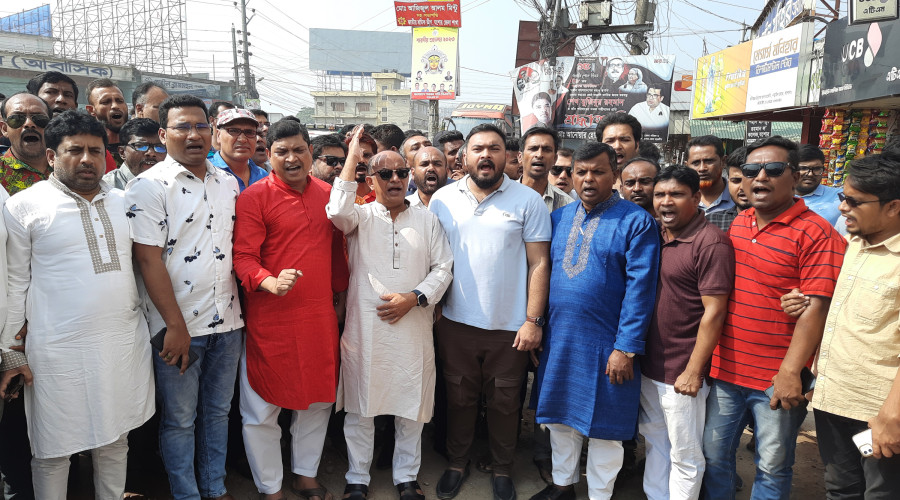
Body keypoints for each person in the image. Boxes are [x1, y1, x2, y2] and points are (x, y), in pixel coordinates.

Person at [0, 110, 154, 499]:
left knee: (116, 439)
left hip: (121, 342)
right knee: (53, 450)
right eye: (75, 150)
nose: (87, 159)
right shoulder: (24, 206)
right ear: (52, 156)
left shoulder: (125, 202)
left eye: (95, 151)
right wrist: (11, 349)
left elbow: (145, 269)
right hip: (57, 350)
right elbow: (15, 282)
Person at [702, 136, 847, 500]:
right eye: (752, 170)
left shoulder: (817, 233)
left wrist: (790, 373)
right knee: (714, 455)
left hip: (776, 376)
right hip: (727, 370)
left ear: (795, 176)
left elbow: (817, 308)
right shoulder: (740, 222)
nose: (761, 177)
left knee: (771, 465)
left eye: (774, 169)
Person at [126, 94, 243, 500]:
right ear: (163, 134)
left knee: (218, 413)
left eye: (200, 126)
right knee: (179, 420)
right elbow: (148, 259)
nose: (193, 134)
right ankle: (186, 493)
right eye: (182, 127)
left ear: (212, 131)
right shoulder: (148, 186)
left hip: (228, 322)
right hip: (178, 329)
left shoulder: (227, 182)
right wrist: (175, 327)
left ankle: (214, 487)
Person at [529, 142, 660, 500]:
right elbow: (541, 275)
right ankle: (562, 486)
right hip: (559, 340)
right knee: (558, 421)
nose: (588, 179)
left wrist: (626, 349)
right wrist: (538, 327)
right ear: (570, 175)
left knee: (605, 430)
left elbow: (641, 291)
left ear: (614, 175)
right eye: (581, 172)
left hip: (608, 347)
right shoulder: (559, 218)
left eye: (598, 172)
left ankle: (600, 495)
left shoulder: (637, 222)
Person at [328, 133, 453, 500]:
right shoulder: (359, 217)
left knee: (411, 406)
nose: (395, 179)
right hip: (366, 330)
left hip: (413, 326)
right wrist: (353, 156)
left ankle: (406, 477)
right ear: (371, 181)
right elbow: (336, 211)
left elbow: (443, 268)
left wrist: (413, 298)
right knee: (361, 408)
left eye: (401, 173)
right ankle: (357, 478)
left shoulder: (427, 220)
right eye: (385, 174)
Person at [429, 124, 551, 500]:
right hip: (455, 323)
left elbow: (539, 263)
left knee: (505, 402)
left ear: (507, 156)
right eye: (478, 148)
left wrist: (532, 321)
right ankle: (457, 462)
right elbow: (433, 260)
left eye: (494, 149)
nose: (486, 155)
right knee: (458, 398)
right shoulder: (443, 200)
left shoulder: (528, 201)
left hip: (510, 328)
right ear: (463, 156)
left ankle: (502, 468)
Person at [233, 119, 349, 500]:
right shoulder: (254, 198)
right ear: (269, 155)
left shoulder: (328, 195)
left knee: (318, 401)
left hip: (319, 317)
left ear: (310, 152)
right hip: (271, 320)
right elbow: (243, 258)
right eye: (281, 151)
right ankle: (270, 488)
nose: (291, 158)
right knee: (261, 410)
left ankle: (305, 476)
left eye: (299, 149)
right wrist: (269, 281)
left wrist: (341, 296)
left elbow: (337, 255)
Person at [781, 150, 900, 498]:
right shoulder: (847, 245)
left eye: (854, 201)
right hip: (833, 399)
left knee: (881, 493)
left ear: (893, 207)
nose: (843, 207)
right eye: (842, 198)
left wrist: (891, 415)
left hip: (879, 410)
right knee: (840, 488)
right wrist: (799, 301)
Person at [639, 166, 734, 500]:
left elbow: (715, 311)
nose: (666, 202)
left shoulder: (710, 243)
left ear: (696, 198)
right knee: (655, 442)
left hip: (682, 370)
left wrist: (693, 371)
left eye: (676, 194)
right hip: (651, 365)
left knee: (685, 453)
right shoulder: (656, 234)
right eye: (660, 195)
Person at [0, 92, 53, 195]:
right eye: (17, 119)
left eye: (39, 118)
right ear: (4, 129)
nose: (29, 124)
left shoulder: (70, 167)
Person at [210, 108, 268, 192]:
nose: (242, 139)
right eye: (233, 131)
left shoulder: (263, 176)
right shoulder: (206, 172)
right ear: (218, 135)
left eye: (249, 132)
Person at [518, 126, 573, 213]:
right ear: (520, 157)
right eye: (533, 149)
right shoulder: (502, 196)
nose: (539, 155)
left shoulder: (567, 205)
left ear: (555, 159)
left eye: (547, 150)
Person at [103, 118, 166, 190]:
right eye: (140, 146)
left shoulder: (171, 184)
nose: (151, 153)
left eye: (159, 147)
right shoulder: (105, 188)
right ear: (122, 152)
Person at [796, 144, 842, 228]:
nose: (810, 174)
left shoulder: (840, 197)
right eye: (803, 168)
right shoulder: (778, 198)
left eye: (816, 169)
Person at [85, 78, 128, 169]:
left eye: (120, 101)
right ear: (91, 110)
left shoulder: (139, 146)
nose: (115, 106)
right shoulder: (87, 152)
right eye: (105, 102)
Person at [686, 135, 733, 215]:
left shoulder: (740, 199)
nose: (702, 168)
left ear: (723, 162)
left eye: (709, 161)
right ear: (687, 166)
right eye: (696, 163)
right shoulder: (681, 201)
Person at [706, 146, 748, 232]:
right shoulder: (711, 222)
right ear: (728, 182)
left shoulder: (776, 224)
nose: (742, 187)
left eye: (749, 181)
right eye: (736, 181)